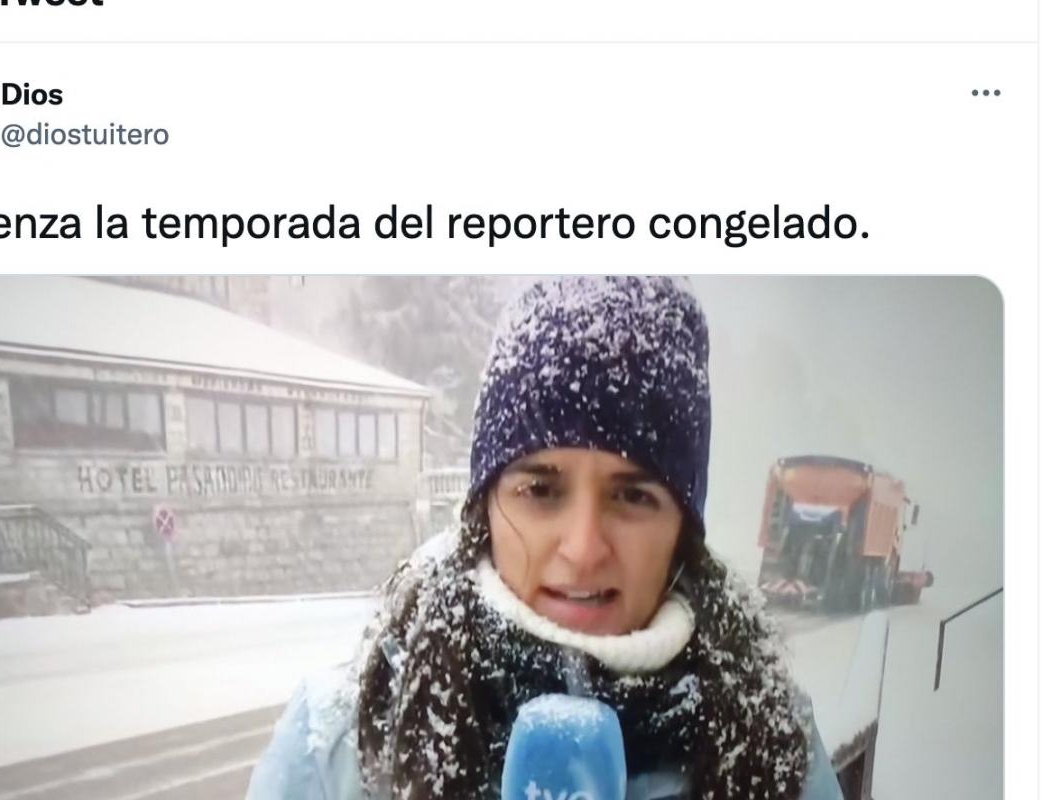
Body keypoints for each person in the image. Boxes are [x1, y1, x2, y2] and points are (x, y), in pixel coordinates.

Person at [249, 276, 843, 799]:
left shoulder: (773, 748)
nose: (582, 549)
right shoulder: (338, 747)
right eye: (540, 490)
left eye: (633, 497)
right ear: (486, 507)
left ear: (681, 529)